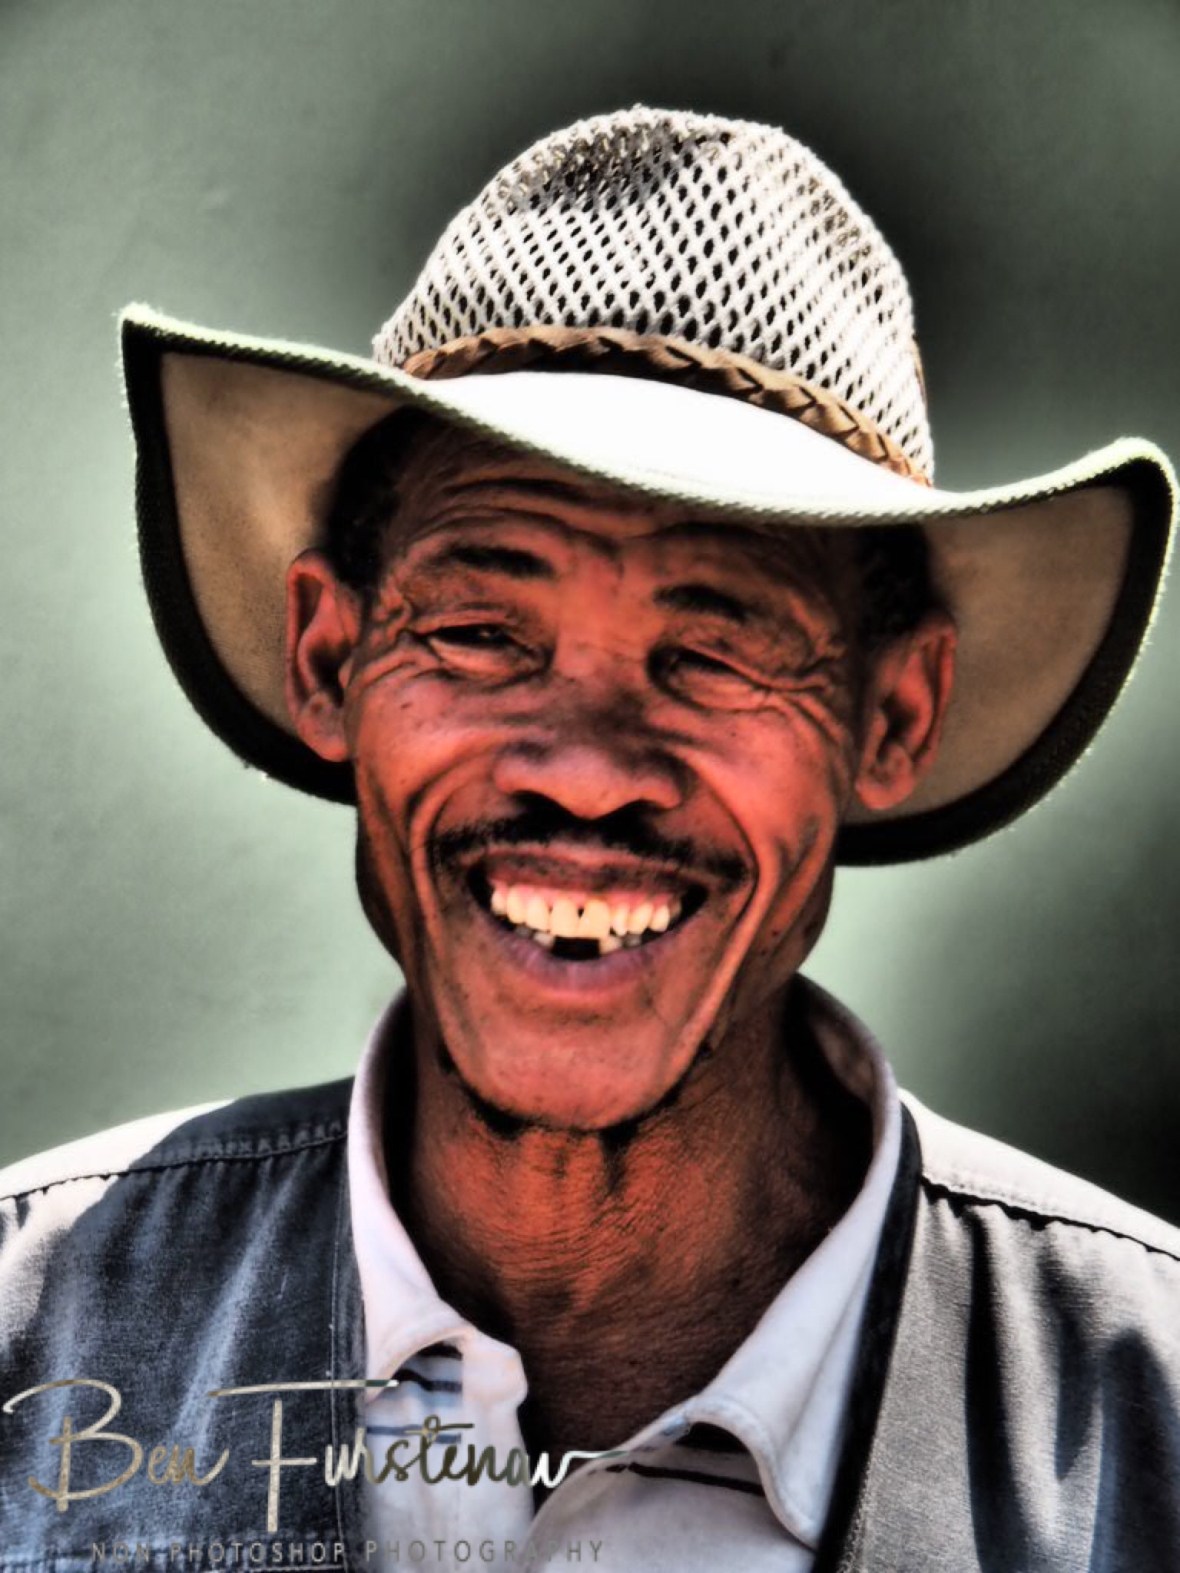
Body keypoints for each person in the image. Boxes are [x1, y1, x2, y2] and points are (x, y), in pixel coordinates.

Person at [2, 106, 1178, 1572]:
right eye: (485, 632)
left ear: (892, 715)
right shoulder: (30, 1343)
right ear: (327, 658)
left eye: (719, 647)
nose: (586, 774)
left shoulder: (1150, 1421)